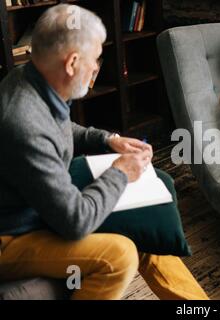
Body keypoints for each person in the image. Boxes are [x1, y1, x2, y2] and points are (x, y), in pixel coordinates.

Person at [0, 4, 208, 300]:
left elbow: (60, 127)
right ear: (72, 63)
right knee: (119, 255)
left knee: (143, 215)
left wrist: (108, 140)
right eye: (96, 59)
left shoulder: (29, 76)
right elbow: (75, 222)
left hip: (39, 205)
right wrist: (120, 172)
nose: (98, 67)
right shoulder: (23, 123)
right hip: (13, 235)